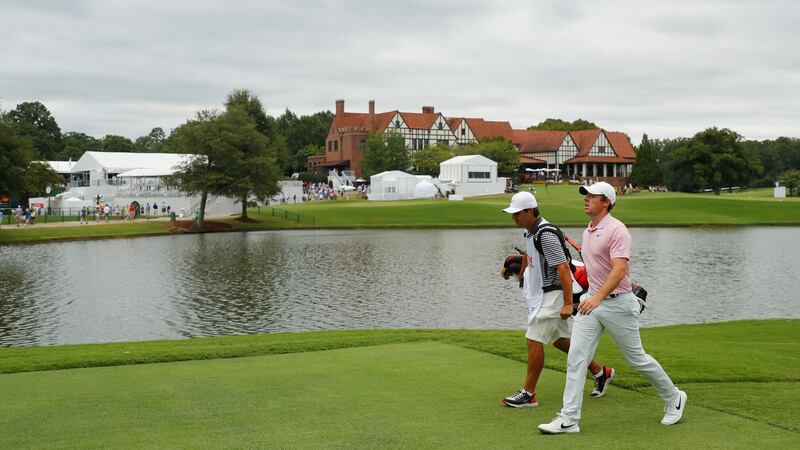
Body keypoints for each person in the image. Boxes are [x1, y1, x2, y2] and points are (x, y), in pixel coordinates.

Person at [538, 182, 686, 434]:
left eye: (591, 196)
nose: (585, 199)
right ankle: (569, 419)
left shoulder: (617, 230)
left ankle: (674, 397)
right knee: (576, 357)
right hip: (592, 303)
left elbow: (619, 270)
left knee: (636, 359)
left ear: (606, 202)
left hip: (618, 303)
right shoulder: (588, 230)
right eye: (585, 196)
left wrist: (596, 297)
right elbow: (594, 268)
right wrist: (589, 295)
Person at [501, 192, 614, 408]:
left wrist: (568, 303)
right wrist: (521, 276)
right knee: (560, 340)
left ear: (529, 211)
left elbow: (562, 268)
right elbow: (529, 255)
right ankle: (601, 372)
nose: (513, 217)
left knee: (534, 339)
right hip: (544, 293)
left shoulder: (545, 233)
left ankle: (528, 394)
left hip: (554, 293)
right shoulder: (531, 232)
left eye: (517, 213)